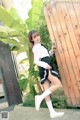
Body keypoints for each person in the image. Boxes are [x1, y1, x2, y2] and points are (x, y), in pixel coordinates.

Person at [28, 30, 64, 118]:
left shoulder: (40, 46)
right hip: (45, 68)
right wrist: (45, 65)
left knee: (47, 90)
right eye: (34, 37)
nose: (37, 38)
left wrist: (52, 50)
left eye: (37, 36)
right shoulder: (36, 48)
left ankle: (52, 113)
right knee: (58, 84)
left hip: (45, 67)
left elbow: (46, 56)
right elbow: (36, 61)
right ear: (32, 40)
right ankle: (40, 98)